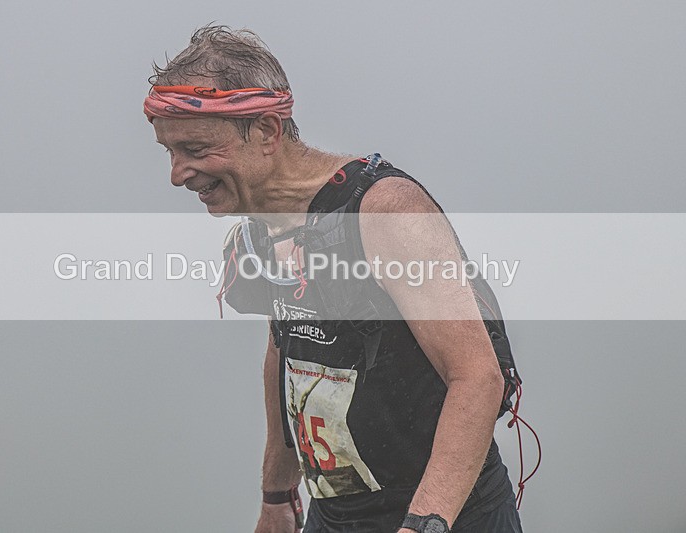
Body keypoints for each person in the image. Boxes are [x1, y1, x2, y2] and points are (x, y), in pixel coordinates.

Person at [144, 25, 522, 533]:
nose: (176, 174)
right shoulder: (261, 223)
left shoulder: (385, 211)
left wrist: (424, 524)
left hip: (446, 515)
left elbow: (477, 377)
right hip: (334, 517)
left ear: (266, 132)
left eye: (194, 148)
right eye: (168, 151)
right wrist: (276, 494)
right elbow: (288, 350)